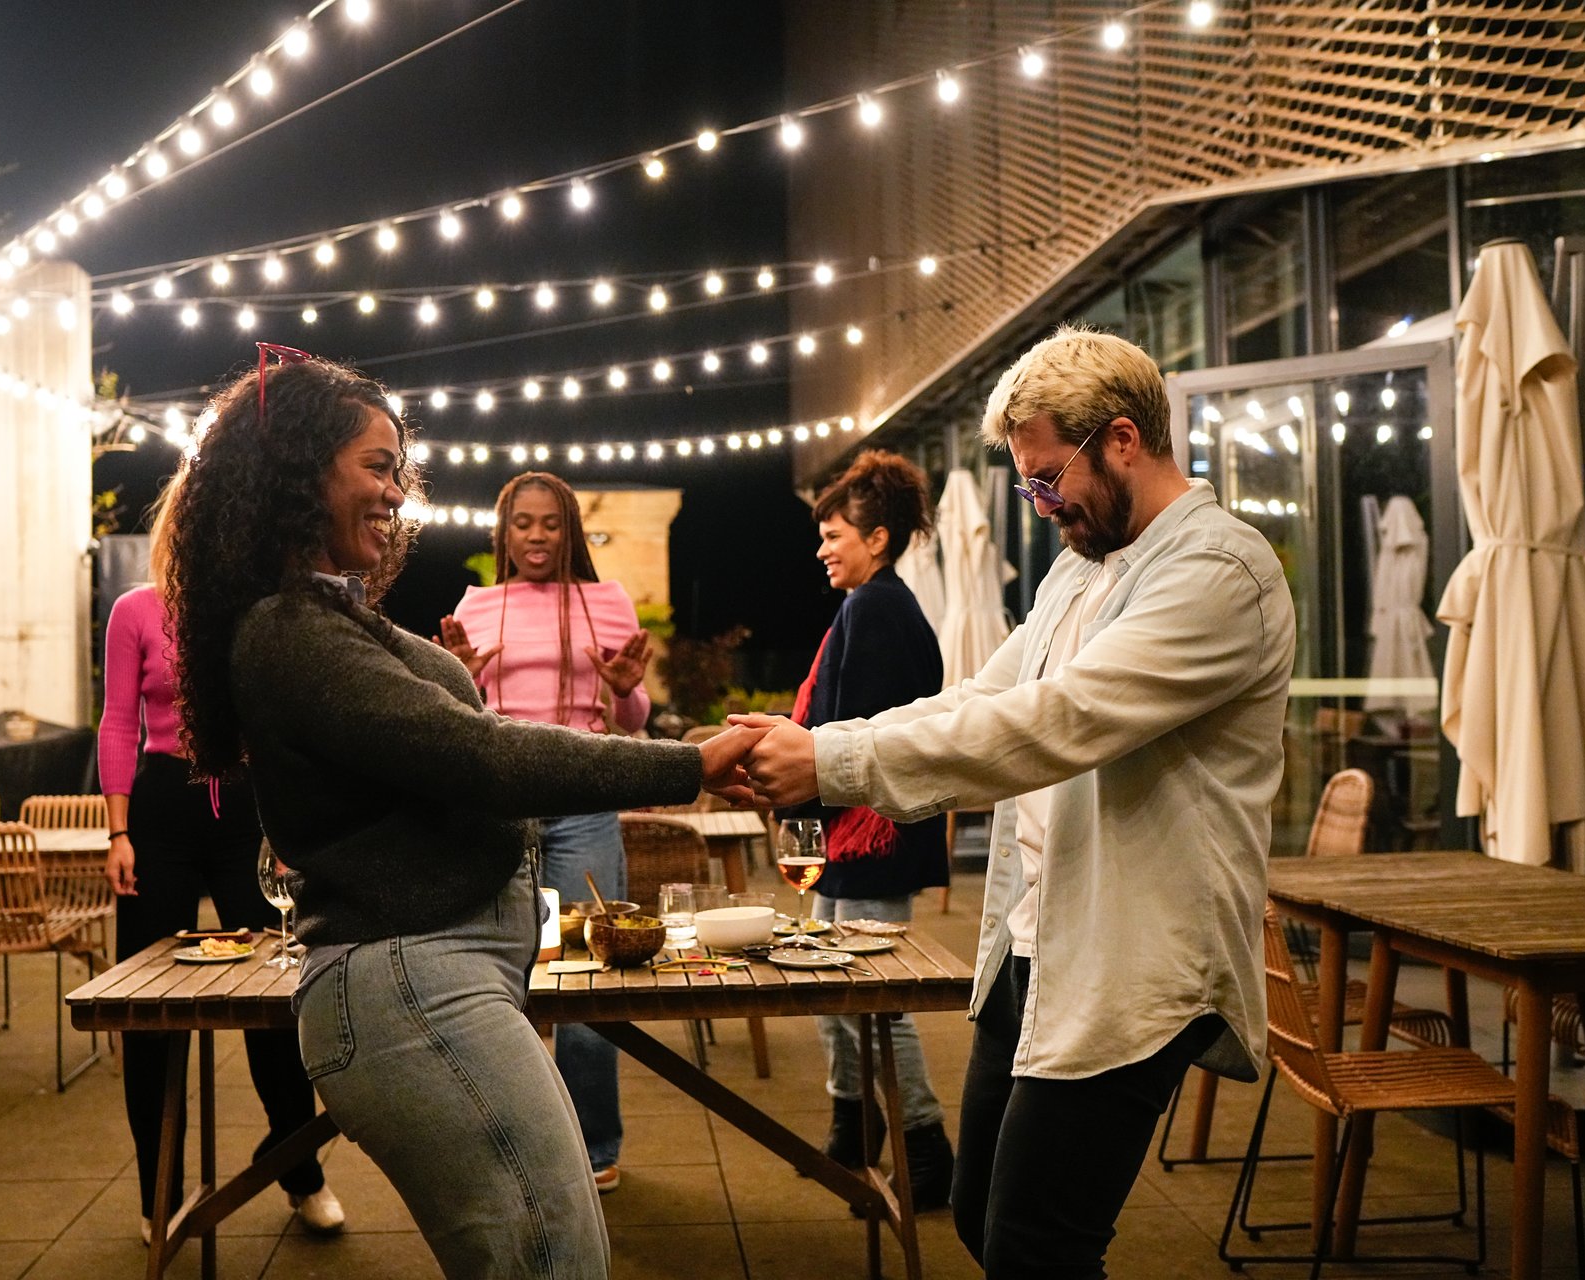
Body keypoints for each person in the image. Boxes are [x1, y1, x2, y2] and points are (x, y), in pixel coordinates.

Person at [162, 348, 760, 1279]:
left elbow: (464, 740)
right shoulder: (289, 633)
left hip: (440, 982)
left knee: (555, 1257)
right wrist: (690, 763)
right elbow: (479, 754)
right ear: (298, 470)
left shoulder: (331, 619)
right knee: (553, 1263)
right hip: (410, 988)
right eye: (376, 466)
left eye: (399, 469)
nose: (397, 493)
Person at [732, 326, 1296, 1279]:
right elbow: (983, 697)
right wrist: (824, 743)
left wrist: (832, 760)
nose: (1040, 506)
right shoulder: (1082, 566)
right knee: (985, 1218)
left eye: (1045, 480)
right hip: (1036, 942)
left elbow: (1051, 723)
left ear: (1122, 440)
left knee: (1040, 1247)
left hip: (1137, 958)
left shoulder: (1219, 573)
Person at [99, 471, 343, 1243]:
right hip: (162, 807)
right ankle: (157, 1193)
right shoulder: (135, 610)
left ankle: (298, 1172)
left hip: (245, 809)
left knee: (279, 999)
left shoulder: (252, 611)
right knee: (148, 1009)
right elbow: (115, 723)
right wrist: (117, 832)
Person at [437, 470, 652, 1195]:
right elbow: (461, 722)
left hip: (584, 798)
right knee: (497, 979)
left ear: (570, 532)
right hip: (500, 805)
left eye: (550, 523)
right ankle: (513, 1144)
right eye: (522, 524)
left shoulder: (606, 602)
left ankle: (593, 1147)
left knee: (589, 973)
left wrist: (625, 690)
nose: (535, 536)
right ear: (503, 534)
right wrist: (459, 681)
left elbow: (635, 720)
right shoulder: (477, 605)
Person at [778, 448, 954, 1207]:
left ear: (876, 539)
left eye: (834, 535)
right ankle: (853, 1127)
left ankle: (925, 1147)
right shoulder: (872, 604)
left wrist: (795, 786)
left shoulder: (877, 607)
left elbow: (855, 734)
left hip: (869, 836)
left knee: (876, 1001)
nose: (821, 549)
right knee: (834, 992)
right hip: (856, 837)